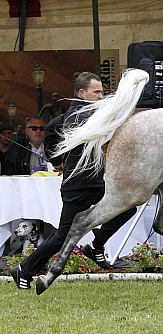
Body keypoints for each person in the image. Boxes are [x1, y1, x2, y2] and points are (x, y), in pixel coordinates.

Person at [11, 72, 137, 289]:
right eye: (96, 92)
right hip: (78, 186)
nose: (100, 96)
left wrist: (57, 160)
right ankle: (24, 269)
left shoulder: (81, 115)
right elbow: (54, 132)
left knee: (127, 208)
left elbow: (51, 133)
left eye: (101, 92)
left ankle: (96, 246)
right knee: (63, 236)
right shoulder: (77, 116)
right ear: (82, 93)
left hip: (95, 183)